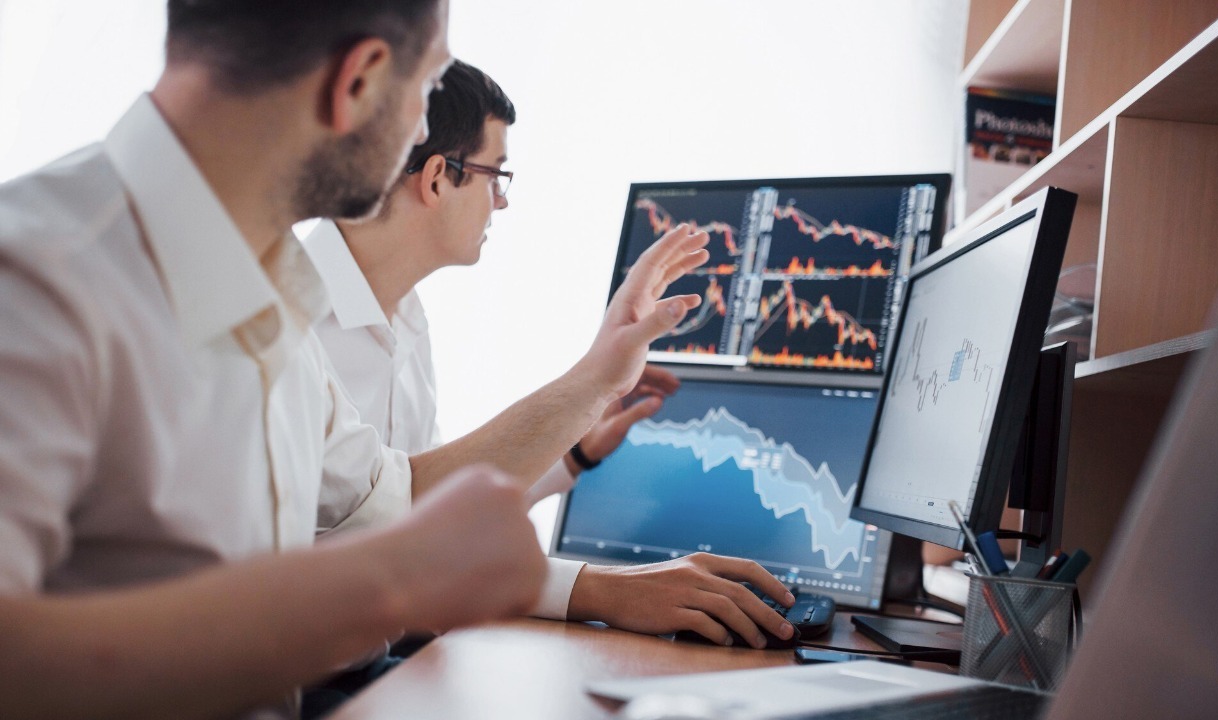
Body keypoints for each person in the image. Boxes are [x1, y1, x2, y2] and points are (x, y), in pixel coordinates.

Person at [0, 1, 707, 717]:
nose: (418, 133)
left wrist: (594, 381)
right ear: (361, 81)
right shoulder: (34, 278)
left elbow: (394, 496)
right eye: (427, 89)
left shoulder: (271, 296)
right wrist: (390, 578)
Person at [307, 60, 800, 647]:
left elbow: (431, 507)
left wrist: (575, 452)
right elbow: (402, 529)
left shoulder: (405, 319)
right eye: (497, 175)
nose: (502, 201)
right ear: (437, 177)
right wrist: (593, 384)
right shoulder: (293, 328)